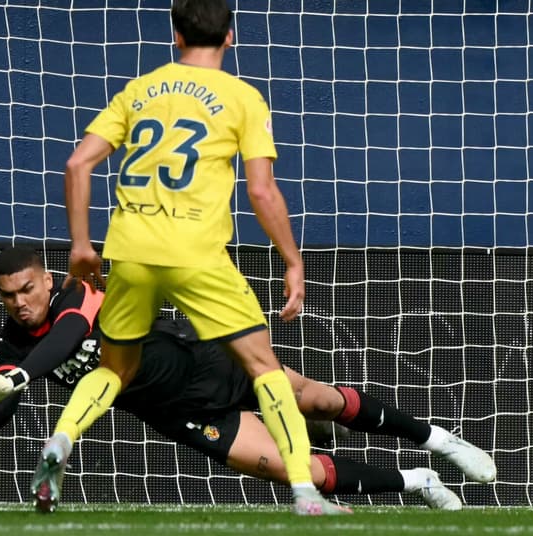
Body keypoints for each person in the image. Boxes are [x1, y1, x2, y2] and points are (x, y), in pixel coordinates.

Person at [0, 246, 496, 513]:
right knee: (297, 472)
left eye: (28, 289)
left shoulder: (77, 295)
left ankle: (438, 440)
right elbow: (2, 392)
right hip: (180, 414)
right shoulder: (12, 345)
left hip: (206, 362)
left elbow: (64, 341)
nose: (20, 302)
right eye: (9, 296)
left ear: (46, 280)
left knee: (321, 401)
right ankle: (418, 481)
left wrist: (16, 377)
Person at [48, 0, 334, 515]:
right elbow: (262, 191)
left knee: (115, 369)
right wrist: (292, 261)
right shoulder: (243, 97)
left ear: (176, 36)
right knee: (263, 368)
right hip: (196, 254)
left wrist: (82, 245)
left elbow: (77, 164)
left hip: (130, 251)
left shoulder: (139, 90)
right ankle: (304, 490)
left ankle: (63, 438)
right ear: (230, 36)